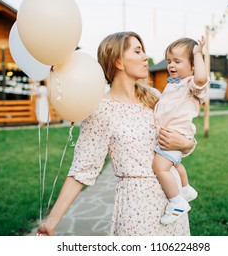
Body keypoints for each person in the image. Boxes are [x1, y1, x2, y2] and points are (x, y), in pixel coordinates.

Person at [37, 31, 196, 236]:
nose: (145, 56)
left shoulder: (156, 97)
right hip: (137, 210)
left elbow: (185, 137)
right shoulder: (101, 109)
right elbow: (82, 170)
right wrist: (51, 223)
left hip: (173, 205)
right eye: (137, 51)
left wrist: (185, 144)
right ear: (118, 62)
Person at [153, 37, 209, 225]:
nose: (171, 65)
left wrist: (198, 54)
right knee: (175, 165)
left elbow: (201, 78)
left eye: (177, 61)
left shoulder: (191, 84)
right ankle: (185, 189)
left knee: (160, 167)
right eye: (169, 61)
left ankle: (177, 202)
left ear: (193, 66)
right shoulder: (173, 84)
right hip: (171, 135)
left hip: (176, 136)